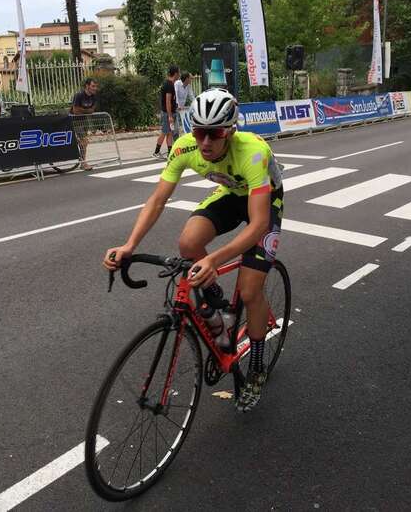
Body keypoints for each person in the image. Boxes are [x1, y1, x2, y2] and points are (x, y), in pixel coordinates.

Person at [104, 88, 284, 412]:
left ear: (230, 131)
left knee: (250, 290)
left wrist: (214, 259)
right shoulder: (184, 146)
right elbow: (157, 200)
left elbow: (258, 224)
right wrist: (130, 245)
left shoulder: (253, 151)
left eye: (215, 134)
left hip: (264, 199)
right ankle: (218, 303)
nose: (205, 142)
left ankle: (257, 369)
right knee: (188, 242)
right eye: (199, 132)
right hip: (230, 192)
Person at [70, 77, 99, 171]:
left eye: (96, 86)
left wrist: (82, 110)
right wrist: (86, 111)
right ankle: (83, 163)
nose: (95, 88)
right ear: (87, 86)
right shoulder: (79, 95)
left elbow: (92, 110)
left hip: (84, 121)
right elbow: (75, 111)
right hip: (75, 121)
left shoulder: (94, 96)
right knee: (84, 141)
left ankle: (82, 161)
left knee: (84, 143)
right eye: (93, 86)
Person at [153, 65, 180, 159]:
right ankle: (156, 152)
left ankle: (169, 152)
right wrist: (170, 116)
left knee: (169, 133)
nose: (179, 75)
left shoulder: (170, 83)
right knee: (164, 132)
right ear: (175, 73)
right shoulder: (169, 85)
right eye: (179, 72)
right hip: (167, 113)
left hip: (169, 112)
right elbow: (168, 101)